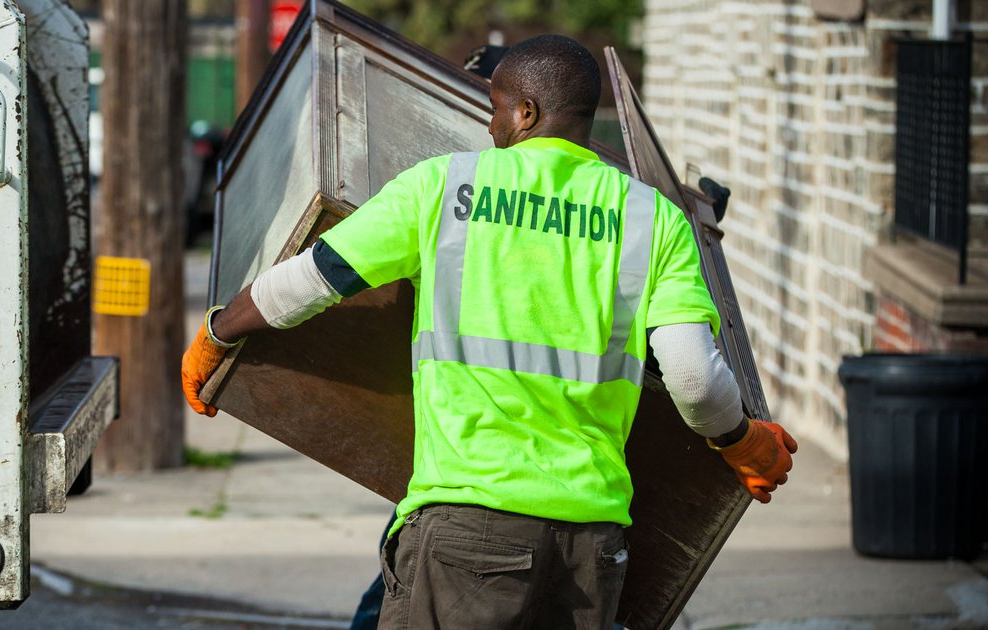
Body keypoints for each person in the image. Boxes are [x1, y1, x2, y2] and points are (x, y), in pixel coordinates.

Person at [182, 34, 797, 630]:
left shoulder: (443, 187)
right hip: (591, 546)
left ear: (527, 112)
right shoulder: (653, 218)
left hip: (468, 531)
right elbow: (692, 373)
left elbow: (314, 278)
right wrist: (740, 440)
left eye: (496, 109)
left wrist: (218, 333)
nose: (490, 125)